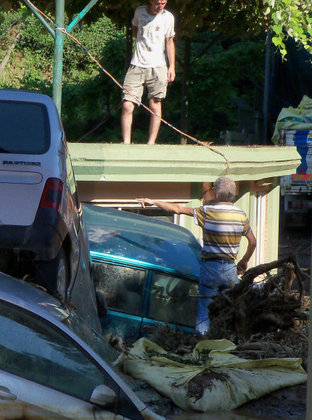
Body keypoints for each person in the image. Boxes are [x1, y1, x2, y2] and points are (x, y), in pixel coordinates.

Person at [138, 176, 257, 335]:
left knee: (204, 314)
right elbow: (253, 242)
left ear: (216, 195)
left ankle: (202, 345)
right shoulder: (242, 216)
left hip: (210, 268)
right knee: (231, 309)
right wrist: (244, 261)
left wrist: (152, 201)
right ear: (234, 195)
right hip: (230, 269)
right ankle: (231, 342)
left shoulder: (206, 212)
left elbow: (178, 209)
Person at [121, 0, 176, 144]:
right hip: (137, 64)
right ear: (151, 1)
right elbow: (135, 29)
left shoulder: (168, 17)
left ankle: (151, 143)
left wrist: (172, 67)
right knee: (127, 104)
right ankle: (126, 142)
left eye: (163, 3)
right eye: (158, 3)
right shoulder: (139, 12)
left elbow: (169, 41)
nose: (160, 6)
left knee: (155, 104)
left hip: (158, 66)